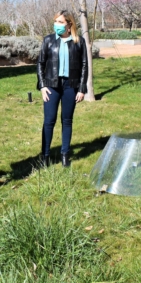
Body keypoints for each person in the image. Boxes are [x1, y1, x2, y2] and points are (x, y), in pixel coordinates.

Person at [37, 10, 88, 167]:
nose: (57, 25)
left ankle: (65, 154)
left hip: (70, 86)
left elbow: (84, 65)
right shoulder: (48, 40)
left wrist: (81, 88)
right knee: (49, 121)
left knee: (67, 121)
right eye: (56, 21)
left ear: (69, 24)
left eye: (60, 22)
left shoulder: (79, 42)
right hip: (52, 86)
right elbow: (40, 63)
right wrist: (42, 86)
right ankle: (45, 156)